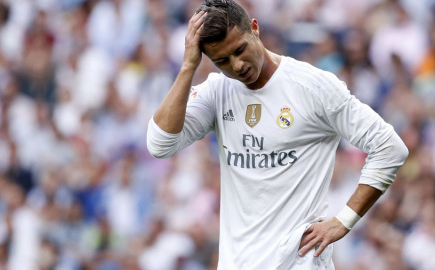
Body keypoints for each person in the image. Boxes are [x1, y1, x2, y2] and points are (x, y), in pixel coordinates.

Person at [146, 0, 409, 269]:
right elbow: (160, 144)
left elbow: (389, 148)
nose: (236, 65)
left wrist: (343, 220)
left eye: (240, 50)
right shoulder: (217, 91)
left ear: (255, 29)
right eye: (222, 60)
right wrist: (188, 66)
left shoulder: (311, 87)